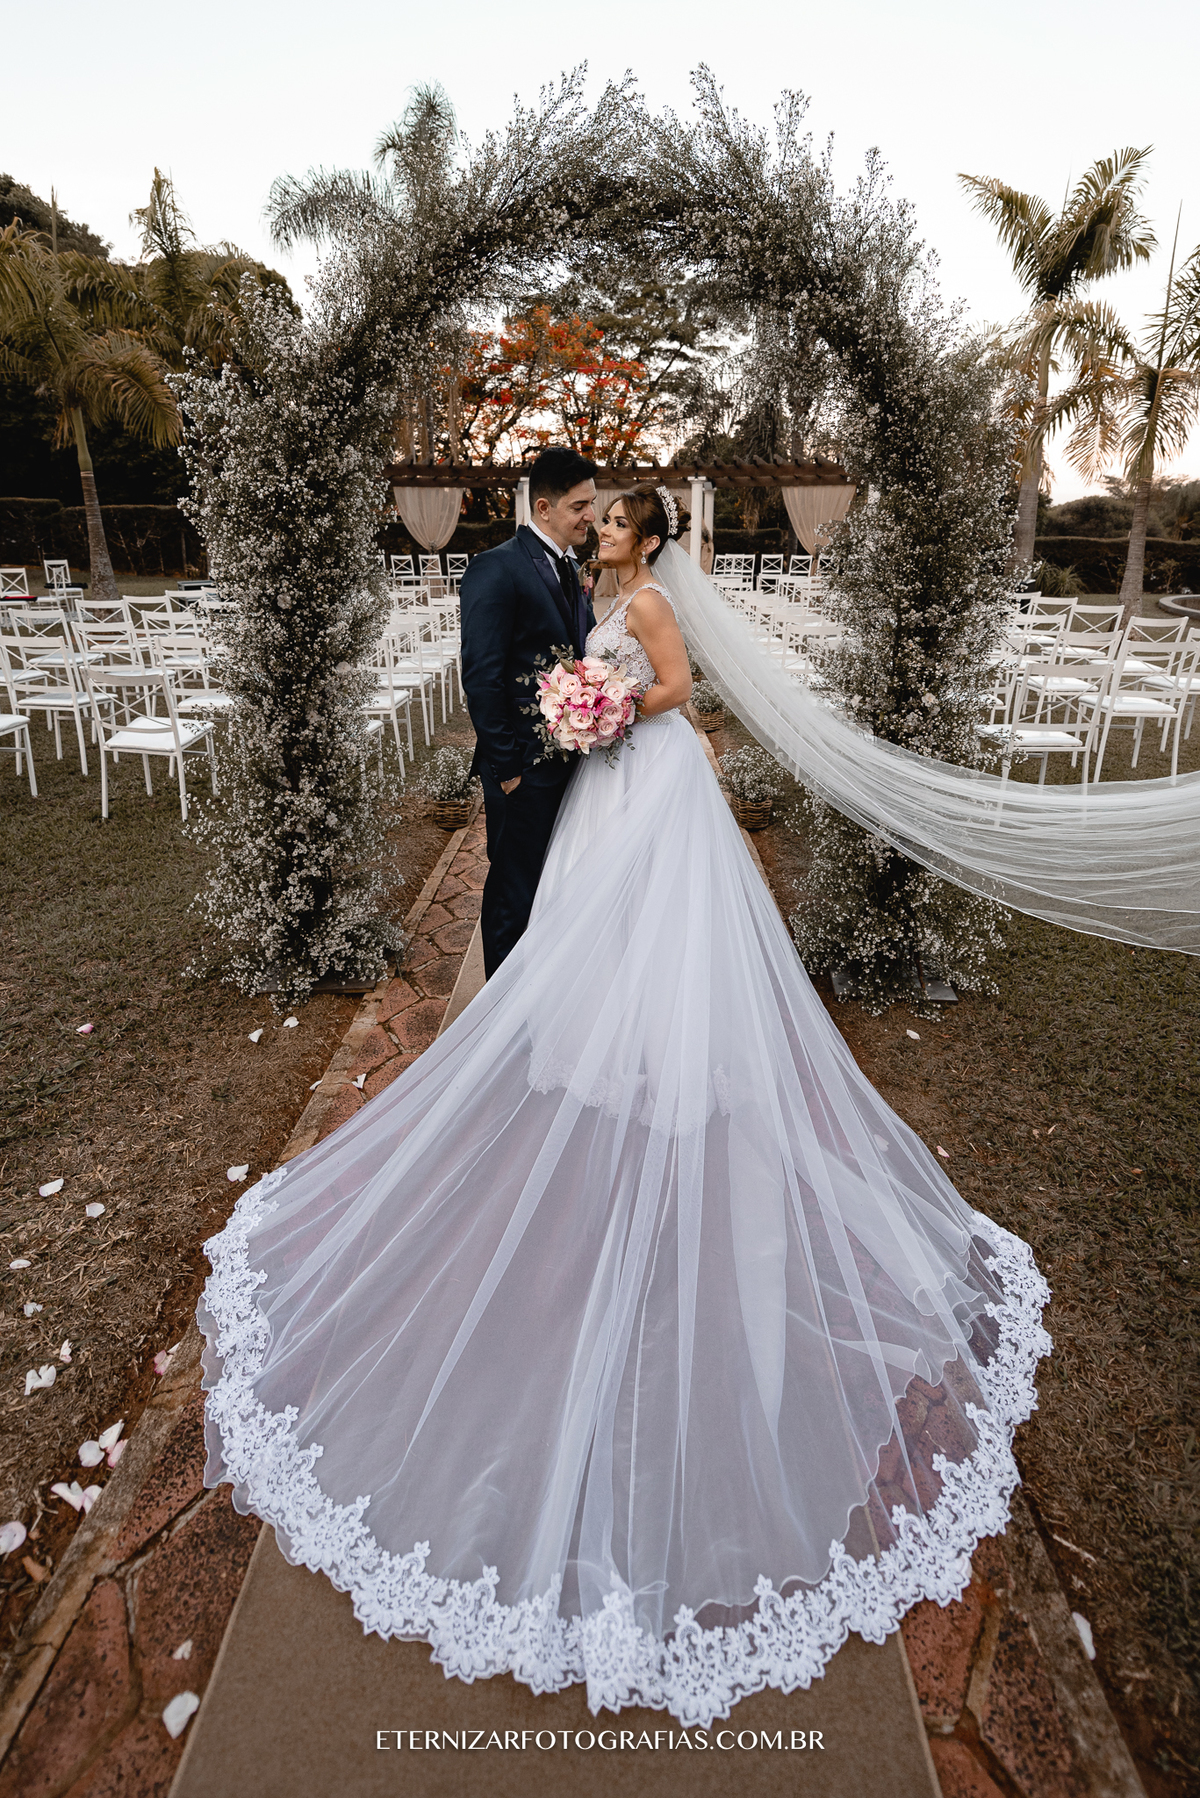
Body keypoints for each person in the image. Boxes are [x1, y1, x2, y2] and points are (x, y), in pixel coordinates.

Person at [198, 486, 1049, 1728]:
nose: (597, 532)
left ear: (644, 539)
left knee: (656, 938)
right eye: (591, 521)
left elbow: (684, 688)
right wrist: (575, 712)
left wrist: (599, 707)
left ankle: (659, 1062)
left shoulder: (644, 600)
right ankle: (598, 1054)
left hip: (650, 784)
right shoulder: (593, 592)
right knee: (590, 936)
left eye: (611, 523)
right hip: (609, 784)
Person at [459, 446, 598, 976]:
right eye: (579, 506)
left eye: (592, 503)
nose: (590, 516)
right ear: (543, 508)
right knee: (512, 897)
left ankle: (539, 992)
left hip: (567, 762)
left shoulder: (568, 566)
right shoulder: (495, 570)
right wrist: (509, 769)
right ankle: (503, 1026)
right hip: (522, 768)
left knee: (550, 885)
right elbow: (482, 677)